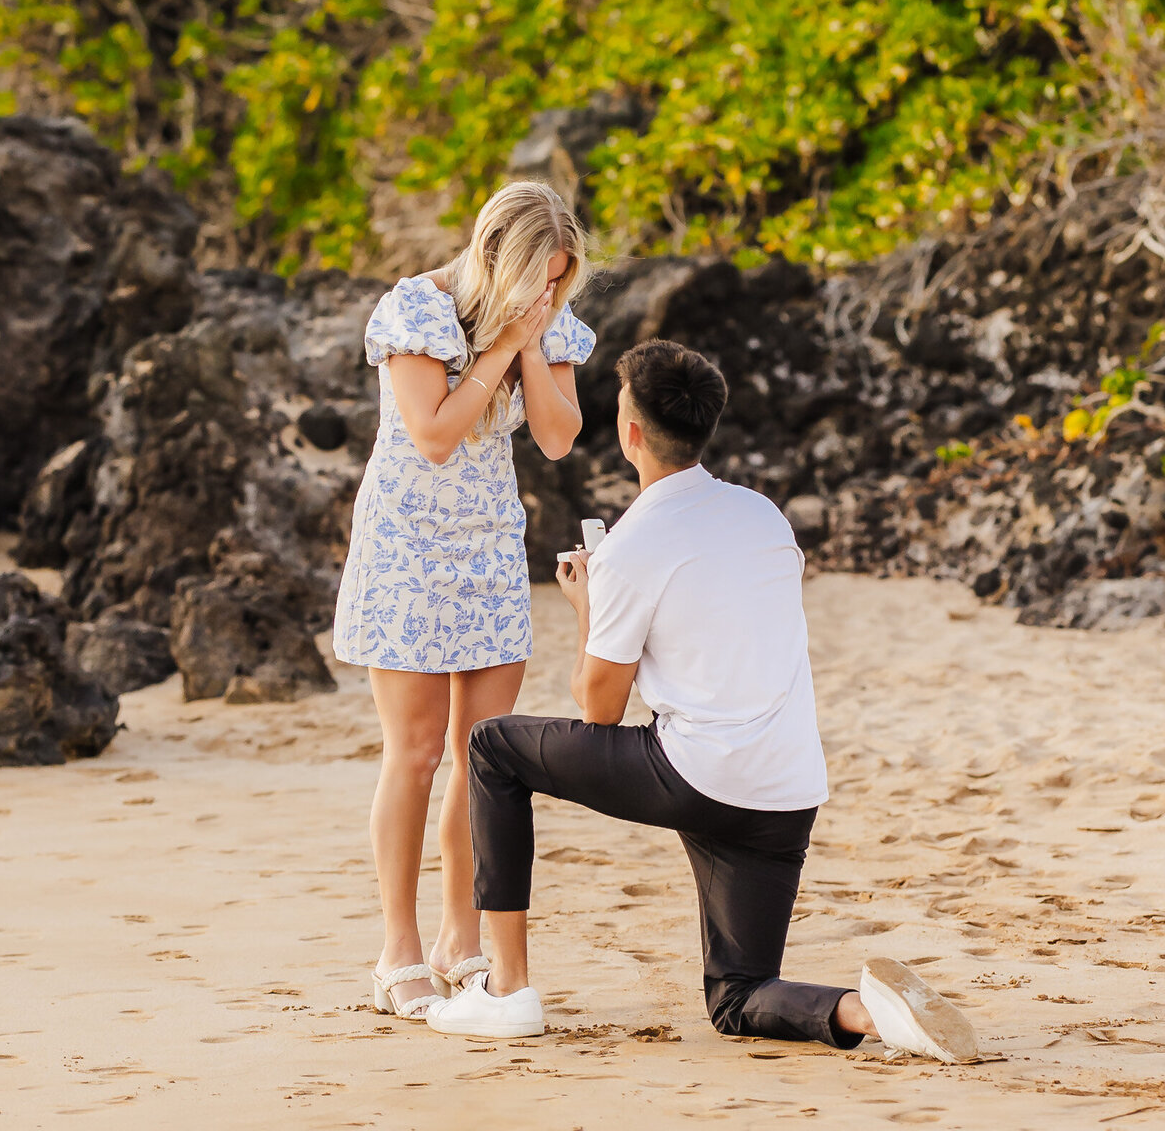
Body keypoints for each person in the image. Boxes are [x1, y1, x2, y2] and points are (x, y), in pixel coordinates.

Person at [425, 338, 980, 1063]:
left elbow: (598, 708)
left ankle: (506, 990)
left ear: (629, 432)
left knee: (493, 747)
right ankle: (867, 1012)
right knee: (738, 996)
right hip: (784, 792)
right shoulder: (762, 516)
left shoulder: (632, 543)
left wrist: (590, 605)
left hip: (698, 774)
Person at [333, 182, 595, 1021]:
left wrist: (529, 341)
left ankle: (460, 940)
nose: (548, 295)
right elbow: (436, 436)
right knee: (414, 755)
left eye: (558, 281)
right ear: (494, 258)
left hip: (488, 551)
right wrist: (500, 346)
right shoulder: (414, 310)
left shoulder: (547, 323)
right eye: (536, 278)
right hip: (406, 549)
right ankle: (396, 951)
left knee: (481, 755)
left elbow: (557, 437)